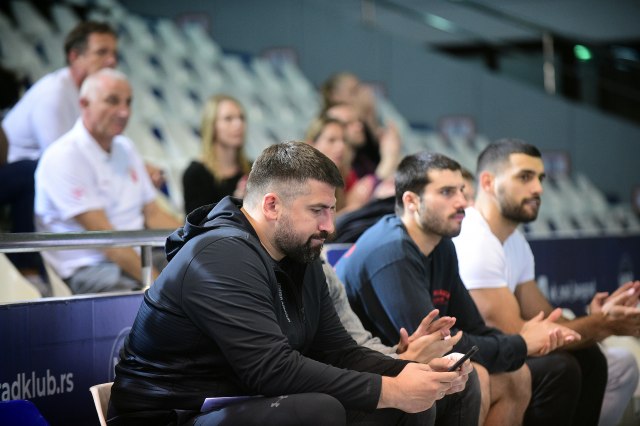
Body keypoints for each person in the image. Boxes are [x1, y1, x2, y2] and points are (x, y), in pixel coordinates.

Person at [109, 142, 473, 426]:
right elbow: (272, 369)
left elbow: (339, 352)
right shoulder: (219, 254)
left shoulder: (300, 253)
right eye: (317, 211)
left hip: (240, 403)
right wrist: (392, 388)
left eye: (332, 209)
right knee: (320, 410)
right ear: (271, 206)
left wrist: (415, 374)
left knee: (415, 404)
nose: (329, 226)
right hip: (172, 415)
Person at [336, 151, 584, 426]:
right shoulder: (391, 251)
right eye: (447, 192)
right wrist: (522, 343)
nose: (462, 202)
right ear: (411, 201)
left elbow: (472, 326)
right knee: (474, 376)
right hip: (366, 377)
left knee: (518, 377)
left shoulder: (441, 244)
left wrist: (523, 339)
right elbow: (436, 345)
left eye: (462, 191)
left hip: (407, 366)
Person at [453, 138, 640, 426]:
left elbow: (545, 317)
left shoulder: (514, 239)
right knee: (560, 368)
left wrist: (599, 319)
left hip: (504, 348)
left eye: (540, 178)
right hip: (473, 355)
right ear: (488, 182)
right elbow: (515, 334)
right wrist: (603, 323)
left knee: (589, 357)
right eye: (525, 177)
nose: (538, 188)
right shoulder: (474, 239)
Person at [34, 69, 181, 294]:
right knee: (167, 295)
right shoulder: (64, 156)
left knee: (203, 271)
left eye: (128, 102)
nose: (124, 112)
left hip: (138, 254)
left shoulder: (126, 148)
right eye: (112, 101)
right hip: (89, 267)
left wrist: (198, 240)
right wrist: (158, 285)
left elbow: (153, 213)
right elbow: (107, 240)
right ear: (84, 104)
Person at [323, 261, 483, 425]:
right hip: (326, 386)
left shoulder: (322, 267)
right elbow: (325, 360)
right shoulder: (393, 260)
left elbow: (355, 344)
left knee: (463, 382)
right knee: (414, 397)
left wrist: (399, 352)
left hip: (352, 372)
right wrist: (403, 360)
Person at [2, 21, 118, 163]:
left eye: (114, 54)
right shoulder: (53, 94)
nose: (112, 61)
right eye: (102, 52)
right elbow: (60, 162)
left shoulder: (90, 93)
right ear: (74, 56)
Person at [182, 94, 251, 215]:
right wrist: (236, 203)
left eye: (241, 118)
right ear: (212, 126)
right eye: (228, 119)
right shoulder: (196, 173)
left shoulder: (253, 169)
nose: (238, 124)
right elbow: (197, 223)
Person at [306, 116, 376, 214]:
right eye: (331, 140)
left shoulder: (341, 177)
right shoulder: (301, 180)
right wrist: (352, 209)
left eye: (344, 140)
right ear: (311, 145)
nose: (341, 147)